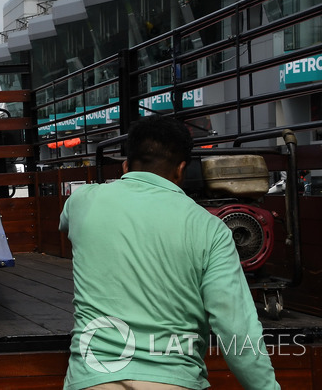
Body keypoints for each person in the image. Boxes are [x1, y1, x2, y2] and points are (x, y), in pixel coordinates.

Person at [59, 115, 280, 389]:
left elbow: (65, 224)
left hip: (92, 378)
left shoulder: (81, 202)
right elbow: (236, 327)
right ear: (181, 170)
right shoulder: (210, 228)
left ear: (126, 165)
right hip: (176, 380)